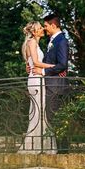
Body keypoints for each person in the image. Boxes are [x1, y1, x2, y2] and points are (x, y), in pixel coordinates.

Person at [33, 13, 69, 153]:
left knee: (55, 117)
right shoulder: (53, 40)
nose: (45, 28)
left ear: (53, 25)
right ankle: (59, 149)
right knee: (52, 116)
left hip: (56, 86)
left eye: (46, 26)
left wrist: (43, 72)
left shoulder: (61, 41)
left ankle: (64, 150)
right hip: (51, 85)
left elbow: (62, 65)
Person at [20, 22, 56, 153]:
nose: (42, 30)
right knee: (39, 110)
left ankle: (41, 144)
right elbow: (35, 62)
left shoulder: (32, 43)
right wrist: (53, 67)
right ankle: (37, 145)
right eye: (40, 28)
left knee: (40, 110)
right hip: (36, 79)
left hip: (36, 77)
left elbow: (28, 65)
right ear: (34, 32)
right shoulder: (32, 42)